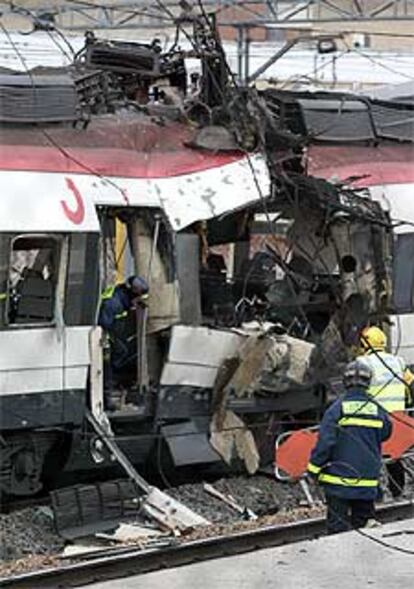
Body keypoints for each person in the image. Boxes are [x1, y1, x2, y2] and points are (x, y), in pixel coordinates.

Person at [307, 359, 392, 534]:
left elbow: (325, 443)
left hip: (338, 484)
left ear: (345, 382)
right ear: (368, 382)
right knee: (365, 532)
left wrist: (313, 470)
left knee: (337, 535)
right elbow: (386, 433)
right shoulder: (378, 410)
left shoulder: (336, 409)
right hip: (367, 484)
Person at [358, 326, 413, 497]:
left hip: (374, 418)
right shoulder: (398, 361)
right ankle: (398, 491)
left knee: (369, 457)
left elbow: (356, 391)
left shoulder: (362, 363)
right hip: (398, 417)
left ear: (363, 343)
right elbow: (410, 384)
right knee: (394, 456)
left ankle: (377, 494)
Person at [98, 275, 149, 405]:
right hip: (105, 336)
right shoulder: (114, 304)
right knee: (117, 356)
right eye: (138, 299)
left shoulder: (120, 296)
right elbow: (105, 324)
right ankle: (109, 392)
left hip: (112, 331)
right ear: (132, 294)